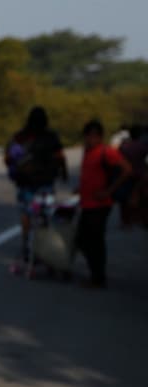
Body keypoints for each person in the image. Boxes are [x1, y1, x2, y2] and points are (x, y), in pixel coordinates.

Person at [4, 106, 67, 265]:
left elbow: (8, 158)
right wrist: (63, 173)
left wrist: (18, 168)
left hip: (25, 183)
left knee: (26, 213)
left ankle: (26, 244)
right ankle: (41, 247)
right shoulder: (51, 137)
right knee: (45, 215)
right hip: (45, 183)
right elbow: (60, 157)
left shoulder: (19, 137)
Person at [74, 119, 133, 288]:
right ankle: (96, 274)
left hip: (100, 204)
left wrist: (109, 191)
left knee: (94, 241)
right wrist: (80, 188)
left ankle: (98, 277)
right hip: (87, 203)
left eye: (95, 136)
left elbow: (127, 170)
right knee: (83, 240)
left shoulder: (106, 152)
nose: (91, 139)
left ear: (100, 136)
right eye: (88, 136)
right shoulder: (88, 151)